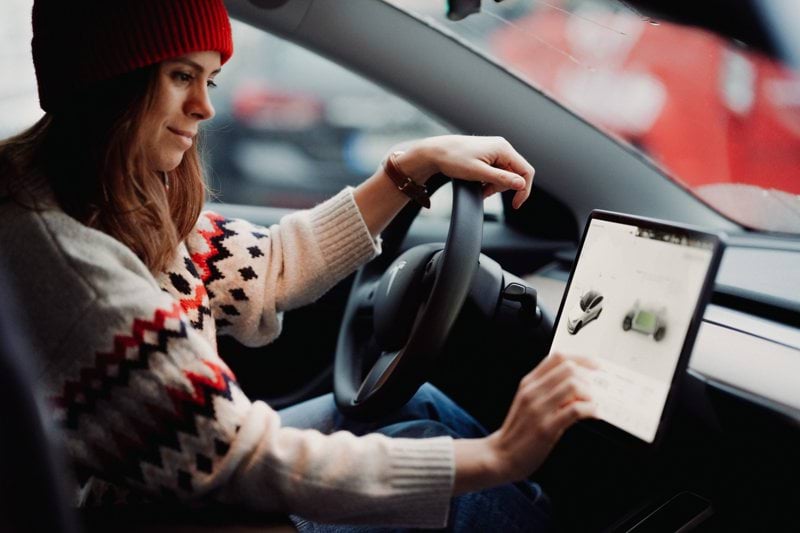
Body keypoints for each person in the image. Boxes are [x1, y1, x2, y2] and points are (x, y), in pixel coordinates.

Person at [0, 0, 596, 530]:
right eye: (182, 76)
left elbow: (269, 268)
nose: (205, 106)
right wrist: (499, 456)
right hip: (133, 509)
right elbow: (238, 459)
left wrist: (410, 166)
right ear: (108, 78)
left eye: (210, 79)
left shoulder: (104, 197)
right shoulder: (70, 263)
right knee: (466, 495)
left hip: (163, 487)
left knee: (424, 410)